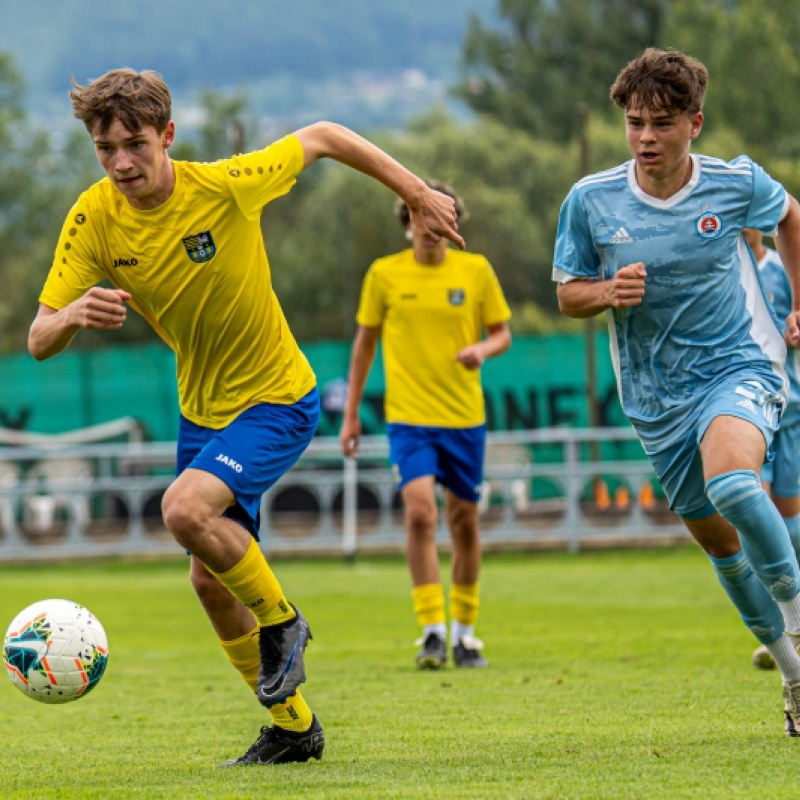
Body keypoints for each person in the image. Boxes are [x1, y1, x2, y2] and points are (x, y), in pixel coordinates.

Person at [27, 69, 463, 764]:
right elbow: (38, 339)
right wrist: (76, 313)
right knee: (207, 578)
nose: (121, 163)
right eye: (105, 148)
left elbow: (323, 135)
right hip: (204, 413)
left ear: (168, 136)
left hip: (278, 398)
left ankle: (284, 623)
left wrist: (415, 192)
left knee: (182, 511)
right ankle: (294, 728)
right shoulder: (93, 217)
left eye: (135, 144)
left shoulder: (227, 185)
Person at [552, 48, 800, 736]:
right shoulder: (591, 200)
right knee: (719, 544)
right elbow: (568, 293)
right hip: (654, 404)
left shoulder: (734, 183)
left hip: (735, 369)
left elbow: (791, 217)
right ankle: (793, 675)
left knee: (734, 483)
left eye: (661, 123)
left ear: (695, 123)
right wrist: (606, 291)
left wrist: (798, 305)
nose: (646, 138)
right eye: (634, 123)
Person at [340, 180, 511, 670]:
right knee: (419, 514)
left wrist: (482, 348)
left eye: (444, 218)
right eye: (423, 216)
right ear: (409, 221)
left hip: (463, 419)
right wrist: (351, 414)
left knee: (464, 521)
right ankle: (432, 632)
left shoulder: (475, 271)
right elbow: (364, 345)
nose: (433, 227)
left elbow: (502, 334)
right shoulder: (384, 275)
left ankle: (465, 634)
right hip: (410, 420)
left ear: (454, 225)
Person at [743, 229, 800, 670]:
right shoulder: (721, 271)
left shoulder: (783, 269)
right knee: (752, 508)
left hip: (791, 405)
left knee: (790, 520)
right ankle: (779, 631)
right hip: (743, 408)